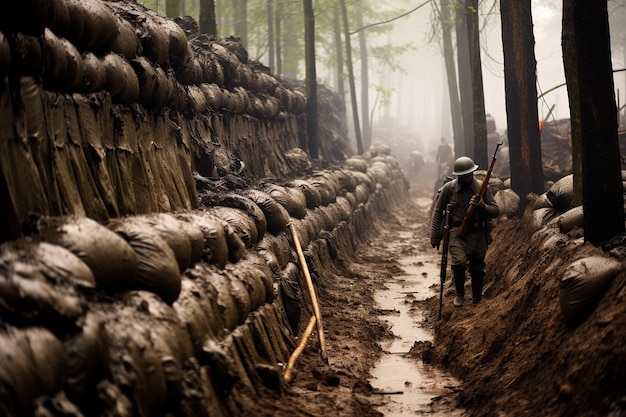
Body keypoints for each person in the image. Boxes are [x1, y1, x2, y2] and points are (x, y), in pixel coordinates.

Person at [430, 156, 499, 306]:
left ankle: (476, 299)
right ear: (459, 176)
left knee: (477, 267)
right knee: (459, 262)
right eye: (466, 174)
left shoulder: (482, 188)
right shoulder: (449, 189)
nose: (469, 176)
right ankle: (459, 295)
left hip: (478, 233)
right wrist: (435, 235)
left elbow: (495, 210)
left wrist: (482, 206)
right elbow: (437, 212)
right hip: (456, 232)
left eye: (471, 173)